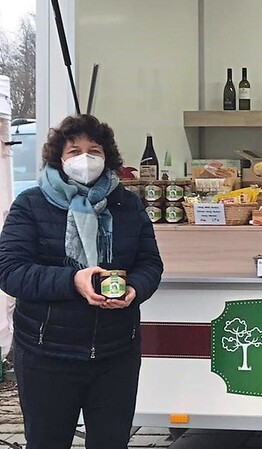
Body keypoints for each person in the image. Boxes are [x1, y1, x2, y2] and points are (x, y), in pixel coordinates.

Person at [0, 114, 164, 449]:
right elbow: (10, 269)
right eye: (74, 150)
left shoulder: (127, 205)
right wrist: (71, 280)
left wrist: (135, 289)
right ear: (59, 158)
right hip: (47, 353)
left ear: (108, 157)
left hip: (116, 352)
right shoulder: (31, 204)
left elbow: (150, 263)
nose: (84, 159)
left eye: (94, 150)